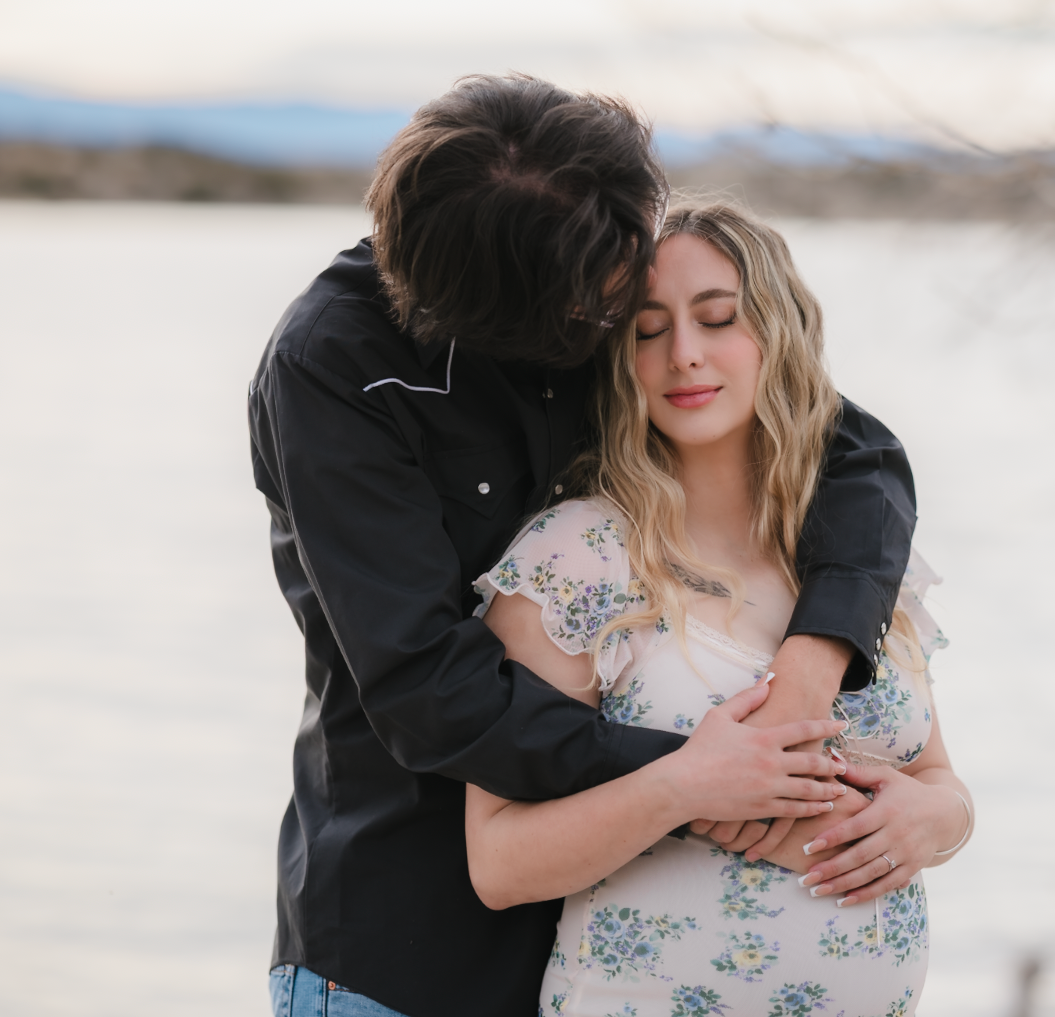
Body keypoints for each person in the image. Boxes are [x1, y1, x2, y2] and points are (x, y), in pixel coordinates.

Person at [248, 75, 921, 1017]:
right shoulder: (334, 370)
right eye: (615, 314)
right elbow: (434, 694)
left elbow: (854, 451)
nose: (644, 314)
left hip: (600, 961)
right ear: (531, 322)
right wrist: (709, 781)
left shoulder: (600, 252)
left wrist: (813, 667)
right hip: (408, 952)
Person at [466, 199, 973, 1016]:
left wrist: (937, 821)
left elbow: (938, 777)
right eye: (648, 329)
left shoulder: (865, 559)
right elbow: (498, 860)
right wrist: (683, 788)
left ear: (777, 334)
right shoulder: (575, 558)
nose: (684, 356)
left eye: (717, 319)